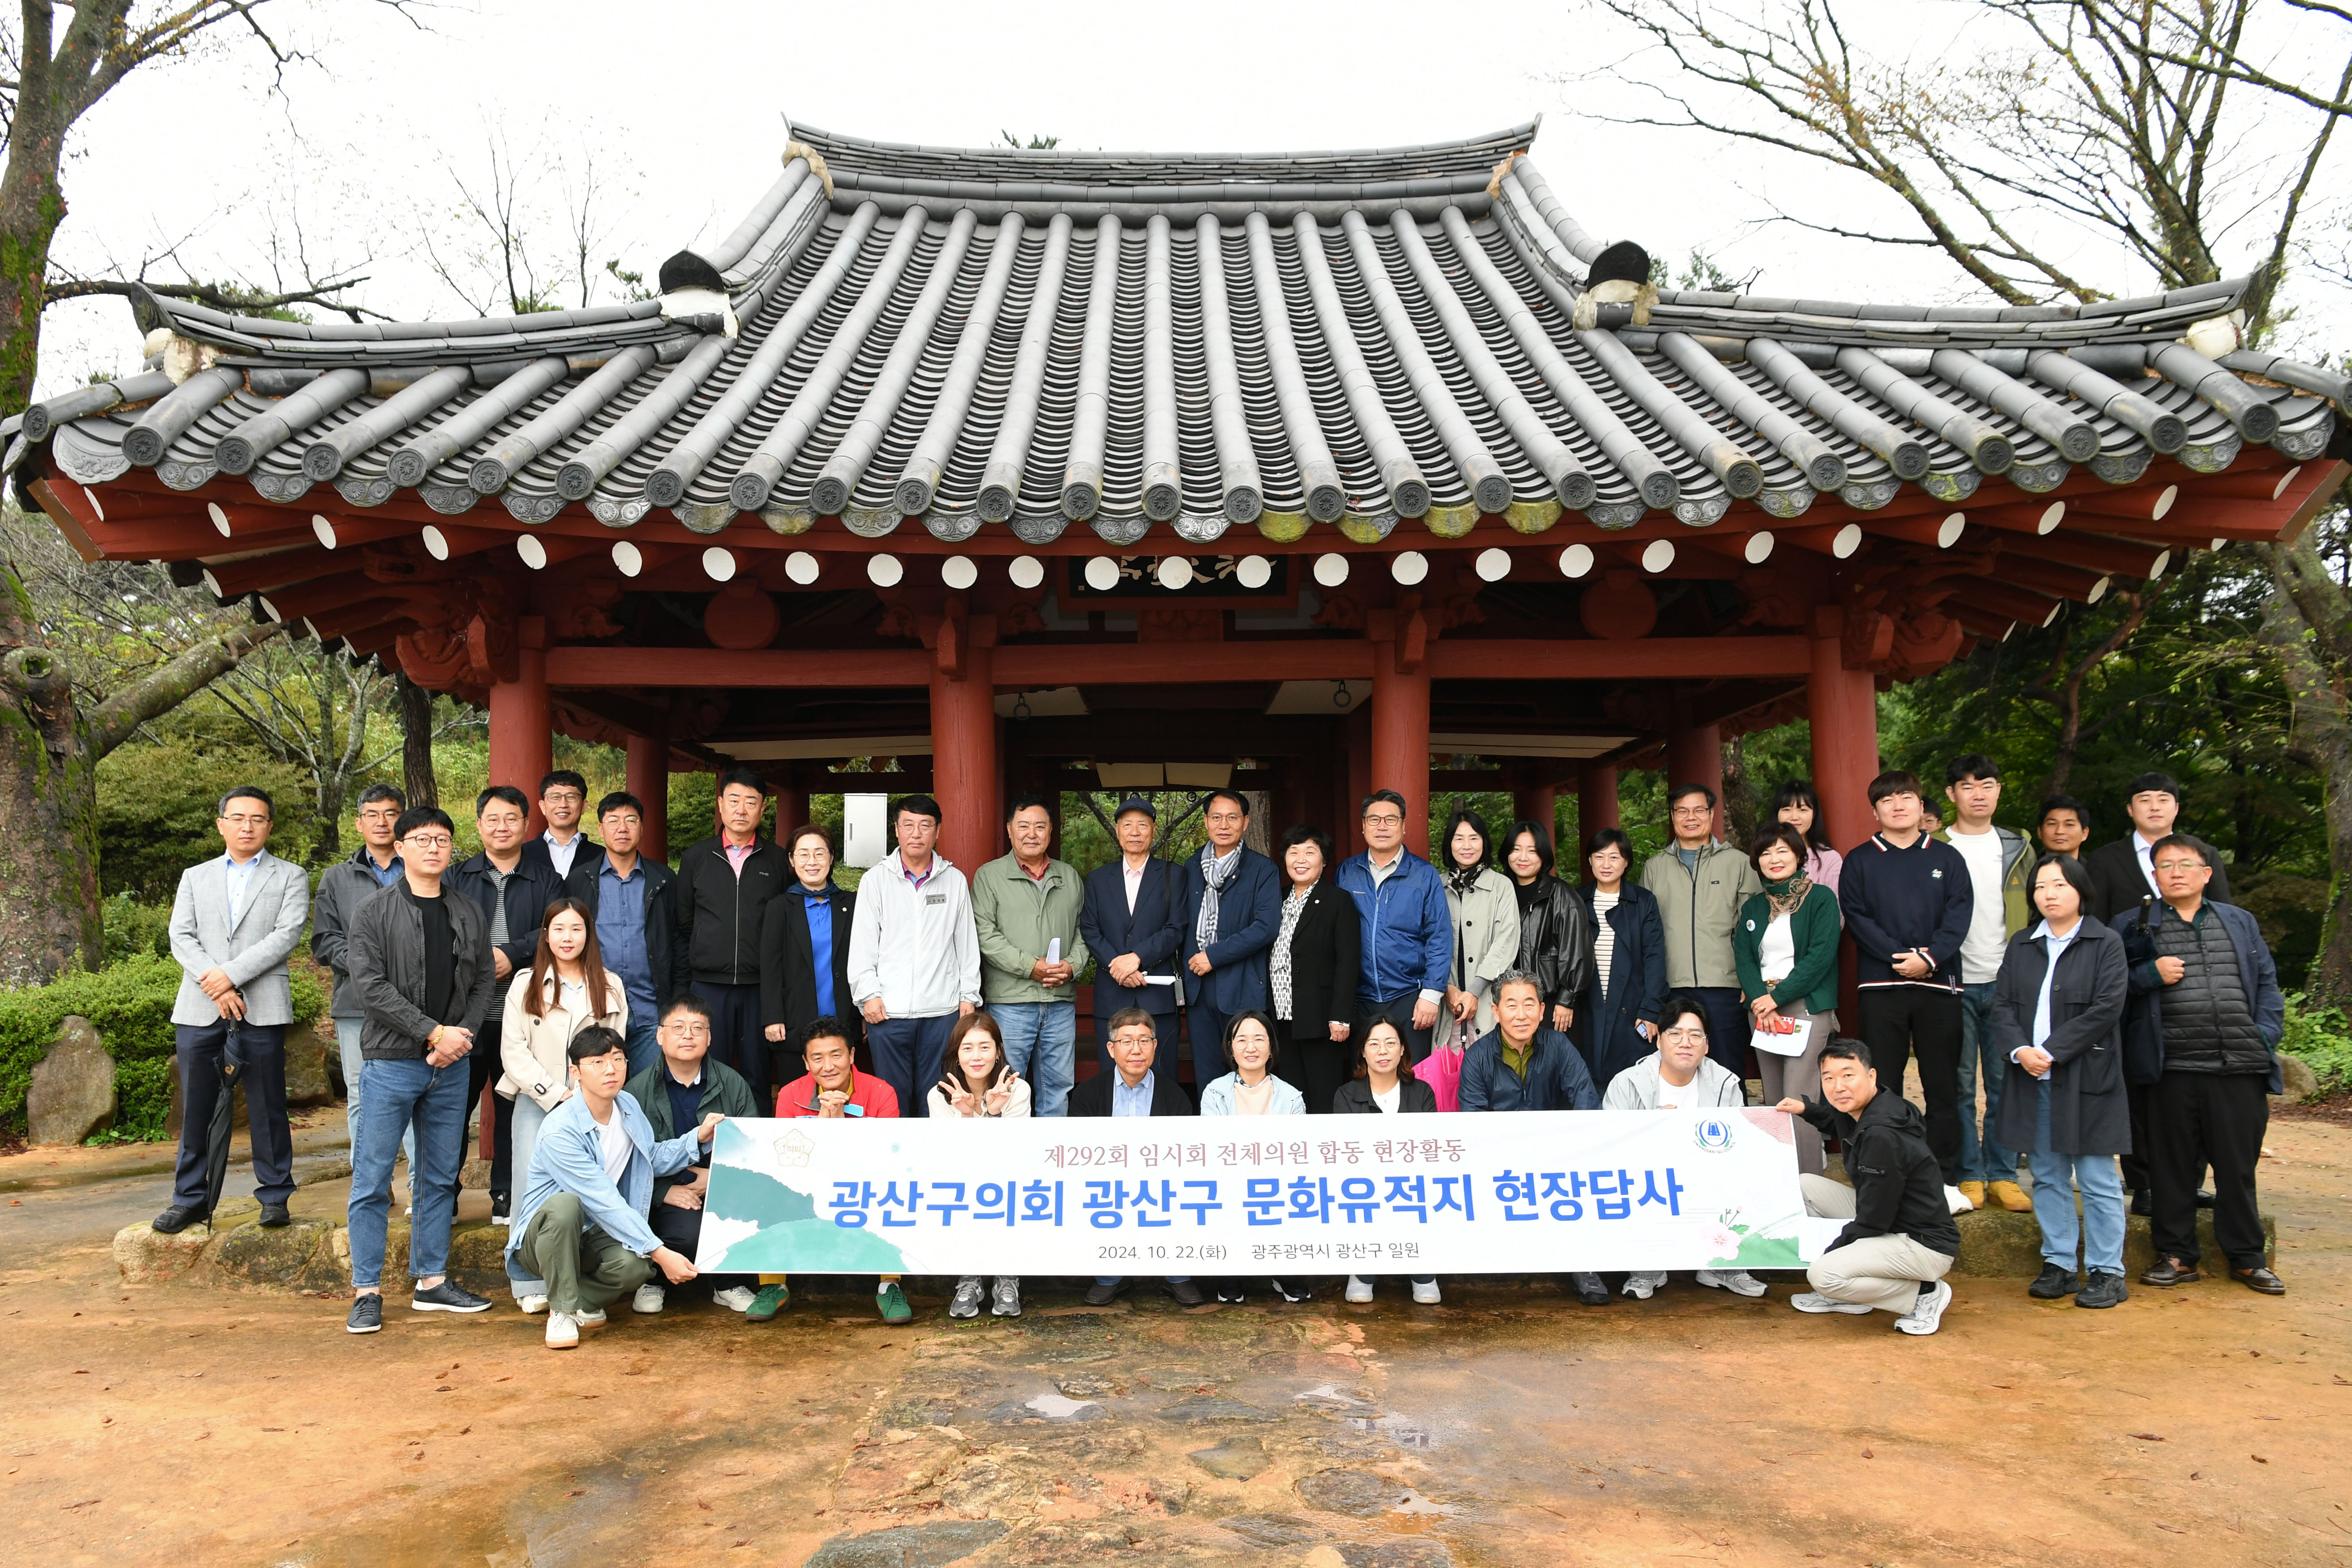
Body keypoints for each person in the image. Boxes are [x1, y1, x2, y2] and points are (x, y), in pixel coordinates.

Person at [342, 806, 498, 1334]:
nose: (433, 847)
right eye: (422, 839)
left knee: (438, 1178)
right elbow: (370, 986)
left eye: (442, 840)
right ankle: (366, 1290)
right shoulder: (372, 911)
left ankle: (432, 1281)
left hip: (451, 1066)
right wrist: (433, 1033)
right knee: (372, 1177)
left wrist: (458, 1041)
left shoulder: (468, 910)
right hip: (392, 1063)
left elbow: (481, 983)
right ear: (401, 846)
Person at [2128, 836, 2287, 1295]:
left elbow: (2267, 984)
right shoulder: (2136, 924)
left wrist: (2263, 1036)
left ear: (2206, 874)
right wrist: (2149, 975)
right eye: (2164, 865)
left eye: (2185, 864)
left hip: (2238, 1066)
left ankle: (2247, 1259)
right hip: (2171, 1066)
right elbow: (2115, 984)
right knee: (2171, 1167)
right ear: (2153, 876)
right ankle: (2176, 1256)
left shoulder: (2238, 921)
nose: (2175, 872)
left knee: (2237, 1168)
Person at [153, 786, 312, 1234]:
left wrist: (230, 976)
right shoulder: (195, 876)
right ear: (221, 823)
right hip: (199, 1006)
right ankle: (189, 1199)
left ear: (269, 826)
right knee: (197, 1107)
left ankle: (276, 1196)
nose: (247, 826)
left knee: (267, 1106)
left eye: (257, 819)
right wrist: (216, 983)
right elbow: (181, 937)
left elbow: (286, 936)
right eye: (238, 818)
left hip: (261, 1004)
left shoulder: (290, 876)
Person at [504, 1026, 721, 1349]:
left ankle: (579, 1299)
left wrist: (696, 1139)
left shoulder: (628, 1105)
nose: (611, 1069)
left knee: (635, 1267)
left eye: (618, 1059)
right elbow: (602, 1199)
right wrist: (661, 1252)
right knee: (566, 1205)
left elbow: (650, 1158)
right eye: (598, 1062)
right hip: (544, 1240)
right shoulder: (560, 1130)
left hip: (594, 1234)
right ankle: (562, 1311)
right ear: (575, 1072)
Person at [1991, 855, 2132, 1308]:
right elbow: (2002, 1006)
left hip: (2084, 1073)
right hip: (2031, 1075)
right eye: (2040, 887)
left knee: (2096, 1177)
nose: (2048, 894)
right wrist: (2019, 1050)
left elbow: (2107, 1007)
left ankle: (2108, 1271)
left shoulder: (2104, 941)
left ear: (2080, 891)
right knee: (2048, 1174)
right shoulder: (2022, 944)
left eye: (2059, 885)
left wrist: (2051, 1051)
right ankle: (2060, 1263)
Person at [1838, 770, 1974, 1186]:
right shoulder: (1859, 859)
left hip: (1938, 984)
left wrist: (1929, 958)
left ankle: (1943, 1177)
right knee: (1883, 1084)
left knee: (1942, 1083)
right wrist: (1898, 957)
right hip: (1882, 985)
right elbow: (1857, 917)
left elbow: (1959, 914)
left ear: (1921, 805)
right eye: (1887, 799)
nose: (1898, 805)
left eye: (1906, 797)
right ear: (1874, 810)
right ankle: (1888, 1171)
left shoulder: (1947, 858)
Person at [1777, 1040, 1960, 1334]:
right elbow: (1836, 1121)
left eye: (1848, 1075)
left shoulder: (1881, 1135)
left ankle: (1923, 1294)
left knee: (1822, 1274)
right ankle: (1850, 1293)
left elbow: (1873, 1219)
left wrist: (1831, 1252)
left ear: (1870, 1075)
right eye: (1828, 1078)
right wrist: (1805, 1109)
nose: (1838, 1086)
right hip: (1893, 1218)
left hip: (1921, 1242)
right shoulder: (1877, 1104)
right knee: (1804, 1186)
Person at [1604, 991, 1764, 1301]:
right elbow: (1612, 1147)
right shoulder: (1627, 1083)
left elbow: (1739, 1146)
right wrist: (1651, 1129)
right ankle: (1648, 1266)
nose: (1685, 1042)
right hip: (1650, 1179)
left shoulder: (1726, 1083)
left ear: (1707, 1045)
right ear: (1658, 1040)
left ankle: (1723, 1266)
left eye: (1695, 1035)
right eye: (1674, 1034)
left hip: (1708, 1175)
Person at [451, 785, 562, 1224]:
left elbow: (558, 929)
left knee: (516, 1107)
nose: (502, 827)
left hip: (522, 1018)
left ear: (525, 824)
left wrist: (511, 954)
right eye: (493, 819)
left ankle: (507, 1194)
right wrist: (482, 959)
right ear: (479, 826)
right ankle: (446, 1196)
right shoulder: (457, 877)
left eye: (511, 819)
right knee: (454, 1107)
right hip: (466, 1015)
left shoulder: (545, 878)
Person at [1460, 972, 1603, 1302]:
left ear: (1542, 1010)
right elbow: (1472, 1121)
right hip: (1498, 1159)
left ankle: (1584, 1266)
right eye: (1511, 1005)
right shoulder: (1478, 1056)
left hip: (1554, 1154)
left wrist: (1572, 1148)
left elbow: (1585, 1098)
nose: (1520, 1015)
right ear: (1495, 1012)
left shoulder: (1558, 1045)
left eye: (1529, 1005)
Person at [1937, 755, 2036, 1213]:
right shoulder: (1932, 845)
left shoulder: (2017, 846)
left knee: (2005, 1083)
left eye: (1987, 785)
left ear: (1999, 790)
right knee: (1956, 1083)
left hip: (2006, 981)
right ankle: (1969, 1172)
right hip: (1952, 980)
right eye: (1967, 786)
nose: (1978, 794)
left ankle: (2002, 1173)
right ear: (1951, 794)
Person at [497, 899, 630, 1242]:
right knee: (529, 1185)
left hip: (592, 1104)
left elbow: (615, 1050)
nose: (567, 937)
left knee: (590, 1184)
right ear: (545, 935)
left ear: (589, 934)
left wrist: (589, 1094)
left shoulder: (610, 984)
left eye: (576, 928)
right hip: (536, 1099)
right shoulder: (525, 983)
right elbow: (513, 1051)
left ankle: (581, 1270)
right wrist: (556, 1094)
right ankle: (529, 1284)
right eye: (558, 929)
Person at [623, 994, 761, 1317]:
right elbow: (625, 1160)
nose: (688, 1035)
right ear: (659, 1035)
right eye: (679, 1027)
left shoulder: (732, 1083)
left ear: (710, 1037)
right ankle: (655, 1279)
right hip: (667, 1193)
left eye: (698, 1028)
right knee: (686, 1234)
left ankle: (727, 1283)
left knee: (755, 1212)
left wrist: (717, 1180)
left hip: (724, 1187)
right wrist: (663, 1192)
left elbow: (753, 1149)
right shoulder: (636, 1091)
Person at [848, 793, 981, 1121]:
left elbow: (966, 944)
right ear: (896, 830)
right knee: (892, 1095)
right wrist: (869, 994)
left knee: (937, 1095)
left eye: (925, 825)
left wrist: (968, 996)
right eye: (908, 825)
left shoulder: (954, 880)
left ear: (937, 831)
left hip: (943, 1010)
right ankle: (895, 1166)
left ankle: (930, 1166)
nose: (916, 833)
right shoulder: (875, 880)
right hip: (888, 1011)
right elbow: (863, 944)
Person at [772, 1018, 914, 1322]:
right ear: (805, 1062)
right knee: (768, 1187)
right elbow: (787, 1160)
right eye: (817, 1058)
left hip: (866, 1179)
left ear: (852, 1055)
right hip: (808, 1182)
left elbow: (888, 1155)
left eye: (836, 1055)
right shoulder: (790, 1094)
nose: (828, 1066)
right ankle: (774, 1286)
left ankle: (889, 1285)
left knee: (897, 1188)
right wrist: (825, 1122)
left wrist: (842, 1127)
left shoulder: (881, 1091)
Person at [1072, 1006, 1204, 1307]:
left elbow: (1186, 1153)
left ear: (1155, 1047)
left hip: (1161, 1182)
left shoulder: (1175, 1096)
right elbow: (1079, 1150)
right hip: (1106, 1182)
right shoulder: (1088, 1094)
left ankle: (1178, 1275)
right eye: (1126, 1041)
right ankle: (1109, 1277)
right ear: (1111, 1049)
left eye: (1144, 1041)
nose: (1136, 1049)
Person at [677, 767, 789, 1110]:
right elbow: (683, 923)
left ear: (763, 808)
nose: (742, 809)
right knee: (710, 1069)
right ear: (721, 805)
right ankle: (710, 1149)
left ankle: (756, 1147)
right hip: (709, 985)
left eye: (751, 802)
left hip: (760, 986)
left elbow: (786, 924)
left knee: (757, 1071)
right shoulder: (696, 857)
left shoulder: (777, 860)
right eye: (734, 800)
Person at [1731, 824, 1839, 1174]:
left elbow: (1820, 957)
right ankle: (1780, 1179)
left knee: (1799, 1097)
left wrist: (1775, 997)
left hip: (1804, 1005)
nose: (1773, 859)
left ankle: (1808, 1182)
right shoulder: (1753, 907)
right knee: (1774, 1096)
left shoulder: (1821, 899)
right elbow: (1745, 957)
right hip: (1762, 1009)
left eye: (1781, 850)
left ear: (1797, 854)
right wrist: (1760, 1001)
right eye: (1765, 853)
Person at [971, 795, 1088, 1117]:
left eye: (1039, 826)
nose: (1031, 833)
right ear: (1010, 830)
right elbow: (985, 935)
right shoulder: (989, 876)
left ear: (1051, 830)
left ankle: (1049, 1161)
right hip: (1011, 1002)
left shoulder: (1069, 877)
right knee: (1004, 1086)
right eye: (1023, 826)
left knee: (1058, 1087)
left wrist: (1073, 966)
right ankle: (1008, 1161)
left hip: (1060, 1001)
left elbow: (1084, 931)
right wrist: (1030, 967)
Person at [1640, 782, 1763, 1081]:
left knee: (1727, 1068)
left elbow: (1753, 930)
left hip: (1725, 986)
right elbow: (1644, 935)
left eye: (1698, 810)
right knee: (1674, 1069)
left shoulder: (1738, 863)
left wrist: (1751, 980)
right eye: (1682, 810)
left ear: (1711, 813)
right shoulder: (1655, 867)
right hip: (1670, 986)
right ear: (1672, 816)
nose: (1690, 817)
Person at [563, 791, 687, 1078]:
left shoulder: (664, 879)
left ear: (642, 828)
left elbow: (679, 942)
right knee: (597, 1090)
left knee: (649, 1095)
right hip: (594, 1009)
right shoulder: (579, 880)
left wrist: (676, 1001)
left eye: (631, 820)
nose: (623, 828)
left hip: (650, 1010)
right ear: (600, 828)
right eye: (613, 821)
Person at [310, 782, 405, 1139]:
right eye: (372, 815)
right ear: (358, 823)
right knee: (361, 1094)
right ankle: (370, 1191)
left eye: (391, 814)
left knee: (415, 1093)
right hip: (356, 1002)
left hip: (417, 1002)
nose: (381, 822)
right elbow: (325, 940)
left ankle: (419, 1188)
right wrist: (368, 967)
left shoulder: (421, 868)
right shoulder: (336, 878)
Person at [1197, 1010, 1310, 1303]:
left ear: (1271, 1047)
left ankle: (1282, 1266)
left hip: (1276, 1182)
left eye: (1259, 1039)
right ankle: (1232, 1268)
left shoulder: (1291, 1097)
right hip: (1230, 1179)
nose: (1251, 1047)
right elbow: (1213, 1148)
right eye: (1242, 1039)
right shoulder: (1214, 1093)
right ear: (1230, 1048)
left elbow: (1296, 1153)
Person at [926, 1010, 1032, 1319]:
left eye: (985, 1047)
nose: (976, 1056)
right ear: (956, 1055)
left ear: (998, 1051)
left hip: (1007, 1176)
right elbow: (951, 1157)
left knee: (1010, 1190)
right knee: (961, 1191)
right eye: (968, 1048)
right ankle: (969, 1278)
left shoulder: (1018, 1089)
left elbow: (1013, 1154)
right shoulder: (940, 1095)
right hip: (960, 1176)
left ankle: (1006, 1277)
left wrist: (996, 1113)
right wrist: (967, 1115)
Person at [1177, 788, 1283, 1091]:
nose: (1224, 825)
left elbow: (1265, 926)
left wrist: (1214, 955)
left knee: (1248, 1070)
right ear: (1207, 822)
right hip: (1198, 988)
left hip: (1242, 986)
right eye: (1216, 817)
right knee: (1207, 1072)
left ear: (1246, 822)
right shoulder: (1191, 866)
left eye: (1232, 817)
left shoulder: (1262, 869)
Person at [1336, 789, 1451, 1063]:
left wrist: (1432, 995)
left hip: (1410, 996)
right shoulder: (1347, 872)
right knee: (1363, 1077)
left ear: (1404, 826)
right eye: (1374, 820)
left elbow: (1439, 937)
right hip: (1359, 999)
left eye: (1391, 819)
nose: (1382, 827)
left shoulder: (1424, 875)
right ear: (1363, 826)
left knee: (1412, 1076)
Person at [1332, 1016, 1440, 1304]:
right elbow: (1347, 1153)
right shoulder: (1345, 1095)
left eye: (1391, 1043)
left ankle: (1422, 1269)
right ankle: (1363, 1269)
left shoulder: (1422, 1092)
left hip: (1411, 1185)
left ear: (1403, 1049)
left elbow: (1430, 1149)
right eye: (1374, 1044)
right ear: (1362, 1052)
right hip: (1365, 1185)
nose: (1383, 1051)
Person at [1078, 797, 1183, 1072]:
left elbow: (1176, 928)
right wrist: (1119, 966)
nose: (1135, 832)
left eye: (1142, 825)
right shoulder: (1099, 879)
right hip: (1111, 995)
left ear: (1154, 829)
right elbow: (1090, 928)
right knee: (1112, 1079)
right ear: (1117, 831)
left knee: (1162, 1078)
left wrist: (1137, 959)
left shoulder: (1174, 875)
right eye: (1127, 825)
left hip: (1158, 997)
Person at [1269, 825, 1361, 1115]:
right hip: (1281, 1019)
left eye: (1310, 852)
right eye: (1293, 852)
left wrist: (1341, 1016)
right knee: (1289, 1098)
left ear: (1323, 861)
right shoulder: (1275, 899)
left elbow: (1348, 960)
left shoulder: (1337, 900)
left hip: (1321, 1020)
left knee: (1323, 1098)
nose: (1300, 859)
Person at [758, 823, 861, 1076]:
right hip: (795, 1020)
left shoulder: (852, 903)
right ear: (792, 860)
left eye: (820, 853)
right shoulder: (780, 907)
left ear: (832, 858)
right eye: (803, 854)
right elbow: (771, 966)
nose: (812, 861)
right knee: (798, 1101)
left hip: (844, 1016)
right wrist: (773, 1016)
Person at [1574, 828, 1668, 1090]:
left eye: (1615, 857)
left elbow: (1654, 958)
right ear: (1590, 860)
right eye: (1600, 856)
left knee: (1631, 1083)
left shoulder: (1643, 902)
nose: (1607, 865)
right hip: (1587, 1006)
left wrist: (1651, 1011)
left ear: (1627, 862)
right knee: (1586, 1081)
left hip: (1632, 1008)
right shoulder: (1576, 900)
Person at [2086, 771, 2232, 924]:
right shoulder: (2105, 860)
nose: (2155, 807)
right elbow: (2096, 921)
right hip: (2126, 946)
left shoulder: (2206, 854)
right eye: (2145, 801)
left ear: (2176, 808)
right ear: (2130, 809)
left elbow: (2224, 913)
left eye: (2163, 800)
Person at [1438, 807, 1523, 1045]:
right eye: (1459, 838)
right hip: (1447, 1004)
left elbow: (1506, 941)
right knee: (1447, 1076)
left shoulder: (1501, 886)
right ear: (1450, 844)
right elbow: (1426, 941)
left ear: (1484, 844)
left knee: (1491, 1074)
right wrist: (1447, 988)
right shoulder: (1437, 885)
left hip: (1489, 999)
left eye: (1474, 838)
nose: (1467, 846)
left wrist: (1474, 990)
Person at [1503, 817, 1592, 1040]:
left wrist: (1566, 999)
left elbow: (1577, 951)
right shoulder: (1501, 892)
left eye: (1532, 851)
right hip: (1512, 1001)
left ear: (1543, 855)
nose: (1523, 858)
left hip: (1552, 1003)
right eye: (1516, 850)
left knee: (1554, 1069)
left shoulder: (1561, 894)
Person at [521, 769, 596, 883]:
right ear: (543, 807)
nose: (563, 805)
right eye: (555, 797)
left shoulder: (600, 856)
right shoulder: (522, 854)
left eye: (571, 797)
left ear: (584, 807)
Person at [1773, 779, 1843, 894]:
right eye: (1787, 810)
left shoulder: (1829, 859)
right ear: (1777, 813)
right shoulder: (1766, 858)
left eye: (1803, 810)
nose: (1795, 817)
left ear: (1814, 814)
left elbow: (1836, 908)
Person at [2036, 794, 2091, 860]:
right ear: (2040, 832)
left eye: (2069, 825)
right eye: (2052, 824)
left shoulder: (2094, 870)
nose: (2060, 831)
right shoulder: (2028, 869)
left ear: (2085, 833)